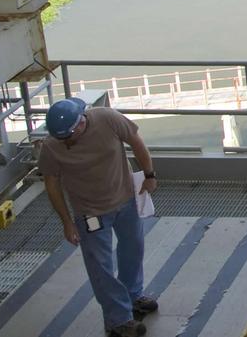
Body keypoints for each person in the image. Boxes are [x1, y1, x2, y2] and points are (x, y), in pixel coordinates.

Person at [39, 98, 160, 337]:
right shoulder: (52, 146)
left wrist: (149, 174)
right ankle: (118, 319)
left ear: (81, 119)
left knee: (133, 250)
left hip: (125, 200)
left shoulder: (108, 118)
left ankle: (133, 295)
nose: (69, 140)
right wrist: (67, 222)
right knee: (100, 267)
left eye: (72, 133)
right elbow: (51, 183)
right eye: (63, 137)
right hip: (90, 214)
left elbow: (136, 141)